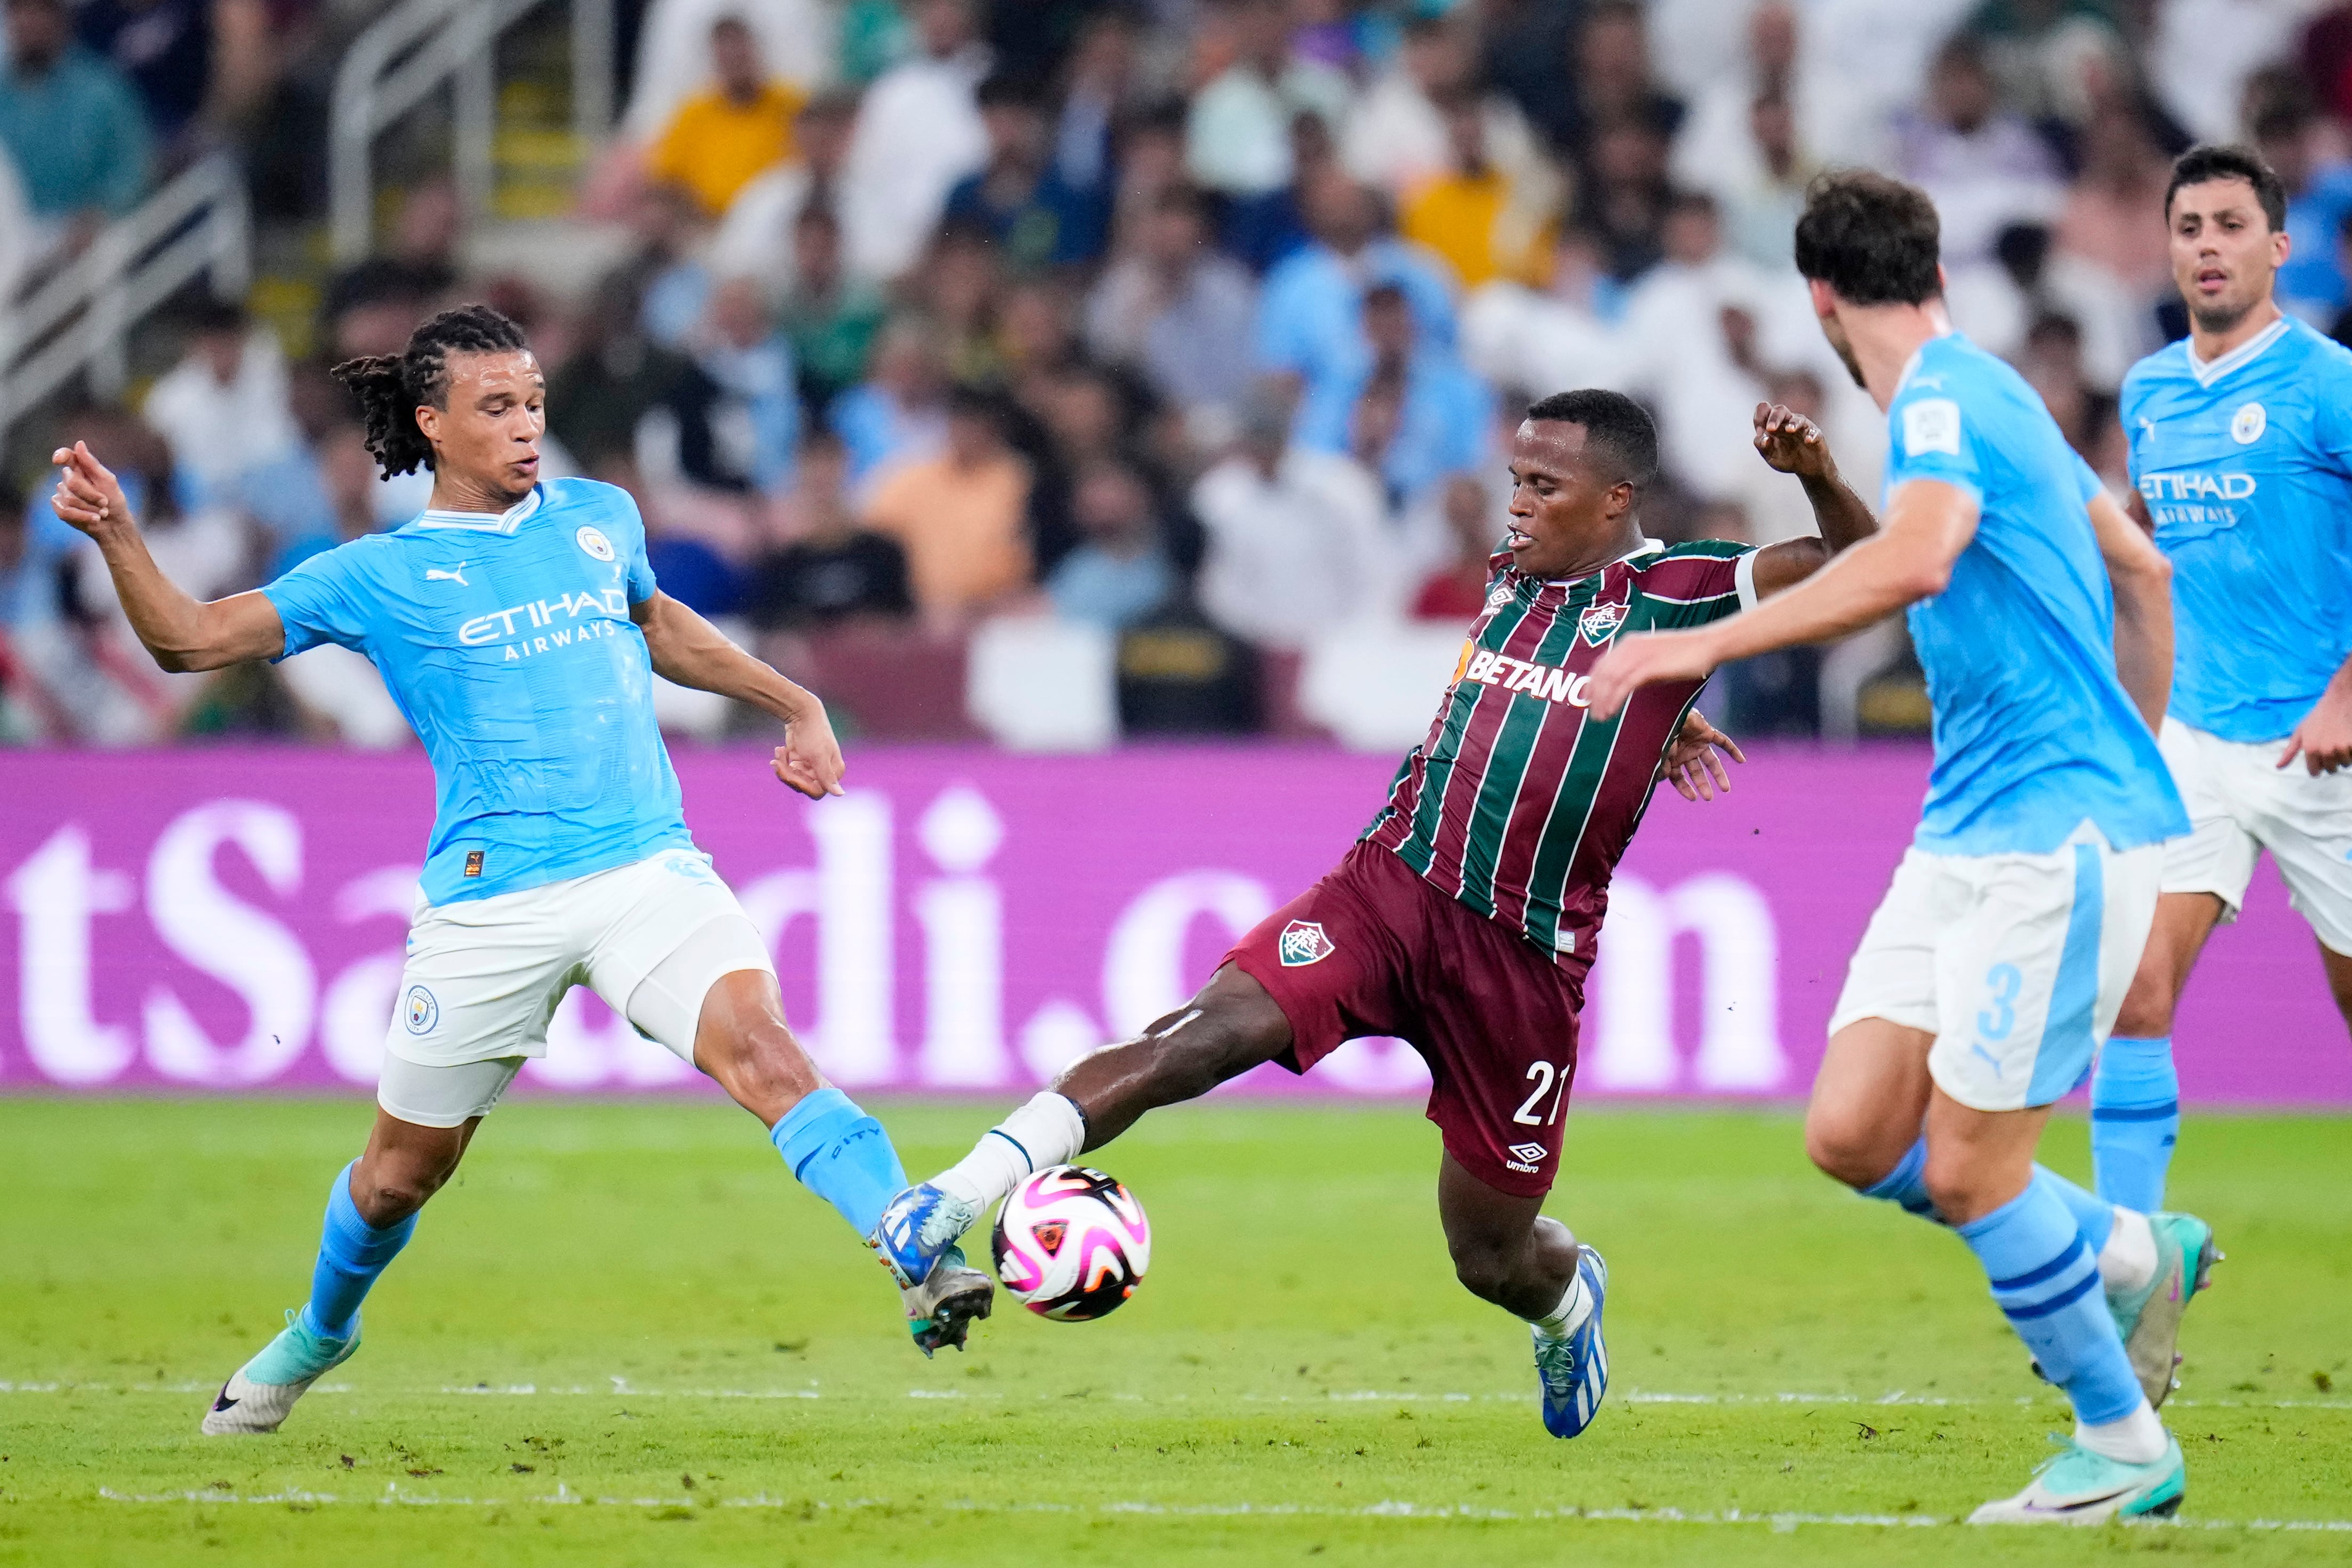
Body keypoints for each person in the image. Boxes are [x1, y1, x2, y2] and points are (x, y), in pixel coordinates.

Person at [45, 305, 992, 1439]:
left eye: (534, 402)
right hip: (491, 905)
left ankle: (908, 1240)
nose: (528, 426)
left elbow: (655, 624)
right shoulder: (379, 574)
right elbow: (190, 641)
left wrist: (792, 701)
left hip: (645, 866)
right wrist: (118, 537)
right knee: (398, 1176)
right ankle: (319, 1332)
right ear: (433, 424)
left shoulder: (599, 517)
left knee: (766, 1051)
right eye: (497, 408)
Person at [866, 387, 1876, 1421]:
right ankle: (952, 1196)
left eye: (1543, 486)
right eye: (1514, 481)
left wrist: (1816, 476)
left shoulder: (1678, 589)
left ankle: (1570, 1304)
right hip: (1391, 888)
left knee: (1490, 1257)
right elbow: (1544, 702)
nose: (1516, 506)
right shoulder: (1511, 578)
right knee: (1199, 1039)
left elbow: (1858, 565)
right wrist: (1654, 726)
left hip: (1522, 962)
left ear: (1616, 498)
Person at [1586, 170, 2211, 1523]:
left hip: (2050, 846)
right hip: (1969, 834)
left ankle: (2121, 1445)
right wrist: (2142, 757)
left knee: (1979, 1168)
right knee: (1856, 1132)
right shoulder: (1992, 397)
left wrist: (1692, 642)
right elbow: (2144, 575)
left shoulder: (1937, 397)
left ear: (1818, 297)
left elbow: (1919, 562)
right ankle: (2123, 1246)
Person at [2099, 145, 2352, 1212]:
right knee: (2134, 996)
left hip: (2320, 739)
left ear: (2280, 248)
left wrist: (2346, 692)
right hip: (2192, 736)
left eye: (2230, 226)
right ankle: (2133, 1277)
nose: (2208, 246)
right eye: (2190, 227)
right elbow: (2153, 556)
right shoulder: (2149, 391)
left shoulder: (2329, 383)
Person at [644, 15, 806, 218]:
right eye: (727, 56)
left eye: (741, 54)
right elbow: (664, 179)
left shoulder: (791, 105)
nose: (735, 61)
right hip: (705, 227)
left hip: (776, 222)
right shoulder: (694, 113)